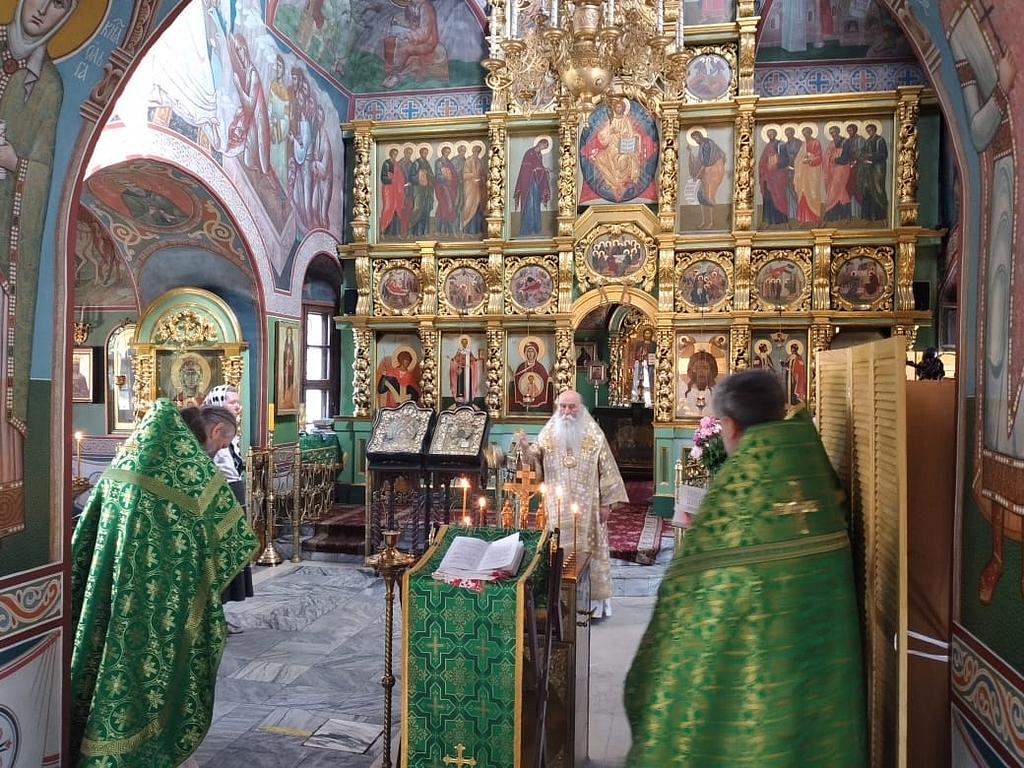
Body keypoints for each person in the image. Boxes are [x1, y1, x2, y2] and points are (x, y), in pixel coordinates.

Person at [625, 370, 866, 766]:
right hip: (824, 686)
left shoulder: (739, 496)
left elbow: (686, 602)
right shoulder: (815, 473)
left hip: (758, 694)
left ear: (731, 426)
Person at [70, 400, 258, 765]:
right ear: (214, 432)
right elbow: (230, 531)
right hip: (156, 595)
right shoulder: (186, 470)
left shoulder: (133, 458)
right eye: (222, 444)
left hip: (113, 582)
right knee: (146, 667)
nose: (219, 452)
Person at [517, 390, 628, 619]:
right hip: (557, 507)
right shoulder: (550, 431)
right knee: (557, 549)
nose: (567, 411)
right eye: (563, 406)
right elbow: (534, 459)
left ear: (581, 407)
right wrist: (526, 448)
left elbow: (607, 469)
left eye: (572, 407)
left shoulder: (594, 433)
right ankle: (558, 603)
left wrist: (606, 503)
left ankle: (592, 604)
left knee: (589, 551)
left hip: (588, 508)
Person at [204, 385, 254, 616]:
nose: (238, 407)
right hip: (219, 499)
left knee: (232, 554)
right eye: (232, 402)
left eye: (238, 402)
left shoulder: (228, 436)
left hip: (232, 494)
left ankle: (220, 614)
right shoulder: (209, 439)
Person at [513, 138, 552, 236]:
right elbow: (526, 168)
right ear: (540, 143)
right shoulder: (529, 153)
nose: (543, 148)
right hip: (529, 183)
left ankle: (536, 228)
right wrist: (535, 170)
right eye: (544, 146)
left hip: (536, 183)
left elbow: (539, 167)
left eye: (545, 148)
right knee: (529, 204)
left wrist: (544, 169)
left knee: (535, 204)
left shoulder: (539, 155)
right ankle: (527, 229)